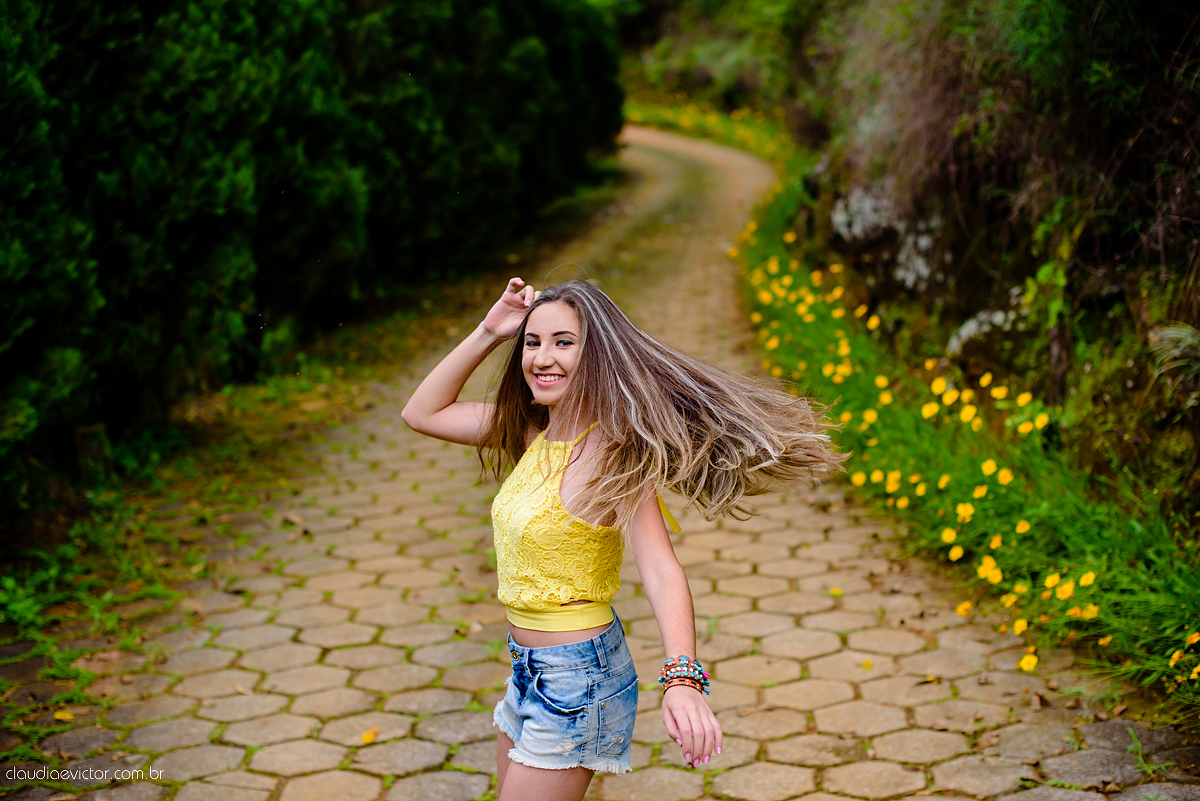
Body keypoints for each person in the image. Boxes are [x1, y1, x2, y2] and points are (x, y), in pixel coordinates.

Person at [400, 277, 846, 801]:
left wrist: (682, 681)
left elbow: (661, 570)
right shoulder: (530, 435)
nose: (542, 357)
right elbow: (421, 413)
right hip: (525, 672)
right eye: (532, 341)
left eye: (564, 342)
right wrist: (489, 331)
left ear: (597, 356)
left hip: (577, 683)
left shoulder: (613, 454)